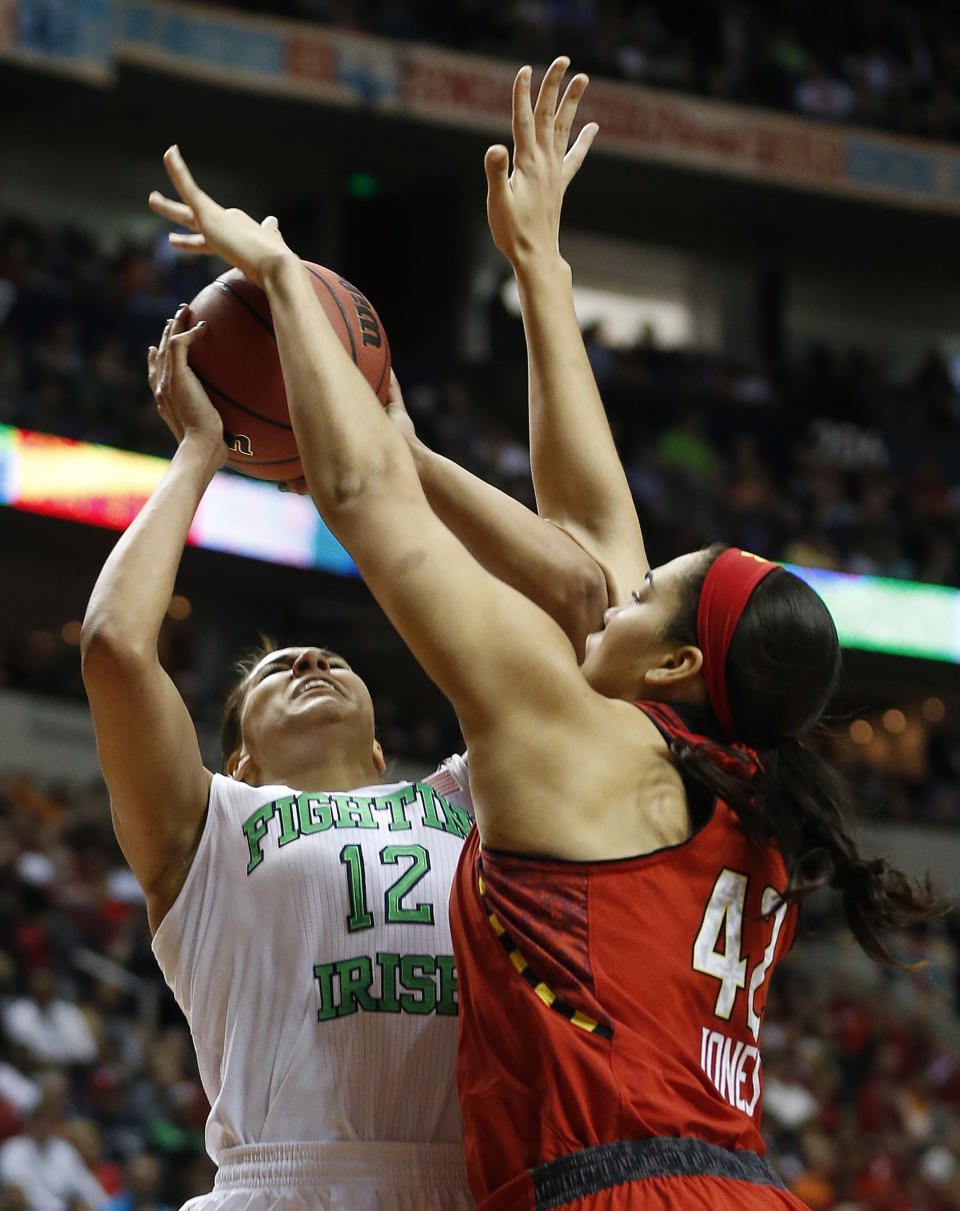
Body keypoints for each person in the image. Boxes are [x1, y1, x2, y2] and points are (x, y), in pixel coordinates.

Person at [148, 57, 941, 1210]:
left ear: (675, 664)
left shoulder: (581, 735)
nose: (604, 588)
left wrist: (278, 275)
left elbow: (364, 501)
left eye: (641, 594)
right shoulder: (718, 767)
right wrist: (539, 267)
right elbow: (586, 525)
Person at [80, 280, 609, 1210]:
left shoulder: (466, 796)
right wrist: (198, 451)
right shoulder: (209, 829)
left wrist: (405, 455)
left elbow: (579, 605)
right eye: (276, 670)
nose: (313, 657)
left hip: (475, 1185)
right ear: (237, 760)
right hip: (281, 1184)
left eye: (325, 657)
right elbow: (117, 647)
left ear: (381, 757)